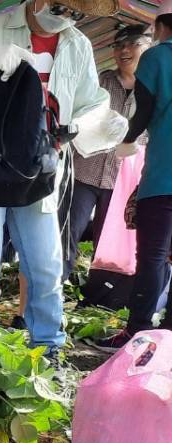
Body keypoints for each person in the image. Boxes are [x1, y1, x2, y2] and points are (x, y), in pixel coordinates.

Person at [0, 0, 124, 355]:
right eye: (61, 7)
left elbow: (90, 101)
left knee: (45, 269)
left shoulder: (77, 45)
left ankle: (48, 347)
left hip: (39, 171)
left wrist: (96, 122)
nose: (66, 19)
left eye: (76, 14)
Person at [97, 6, 172, 351]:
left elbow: (141, 113)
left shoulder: (156, 58)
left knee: (153, 256)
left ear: (159, 27)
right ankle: (168, 334)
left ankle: (137, 332)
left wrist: (126, 142)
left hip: (163, 176)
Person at [63, 24, 153, 280]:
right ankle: (57, 286)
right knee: (68, 229)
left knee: (110, 237)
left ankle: (100, 291)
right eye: (118, 45)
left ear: (148, 47)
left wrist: (138, 141)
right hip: (85, 171)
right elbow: (78, 115)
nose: (124, 50)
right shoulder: (101, 82)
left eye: (132, 44)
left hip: (124, 181)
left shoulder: (154, 90)